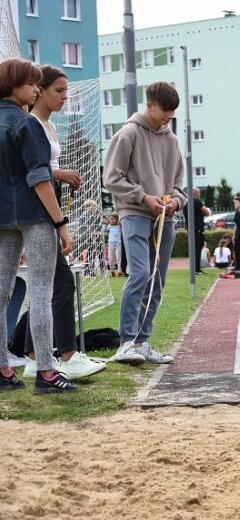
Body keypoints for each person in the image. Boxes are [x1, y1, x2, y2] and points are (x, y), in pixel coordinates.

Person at [0, 57, 78, 393]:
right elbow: (40, 178)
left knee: (0, 295)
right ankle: (46, 373)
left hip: (3, 218)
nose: (35, 89)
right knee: (43, 294)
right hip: (35, 217)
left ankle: (3, 371)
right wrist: (61, 222)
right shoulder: (27, 124)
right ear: (13, 84)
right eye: (31, 83)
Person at [25, 64, 106, 381]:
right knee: (58, 284)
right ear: (39, 90)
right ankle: (67, 355)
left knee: (48, 285)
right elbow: (32, 171)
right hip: (40, 209)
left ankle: (34, 357)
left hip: (52, 205)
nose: (64, 97)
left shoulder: (48, 125)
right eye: (59, 91)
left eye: (66, 91)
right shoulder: (30, 124)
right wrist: (61, 176)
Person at [103, 81, 187, 365]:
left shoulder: (172, 140)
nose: (169, 116)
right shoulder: (127, 134)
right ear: (150, 104)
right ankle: (126, 342)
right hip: (134, 213)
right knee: (139, 274)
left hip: (166, 218)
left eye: (173, 111)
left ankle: (142, 341)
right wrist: (143, 197)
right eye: (166, 110)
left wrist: (175, 201)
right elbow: (112, 178)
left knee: (157, 282)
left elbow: (178, 185)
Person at [184, 186, 210, 274]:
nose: (200, 195)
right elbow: (206, 212)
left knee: (193, 249)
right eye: (199, 193)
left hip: (190, 229)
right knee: (198, 249)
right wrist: (203, 212)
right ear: (195, 194)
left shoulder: (186, 203)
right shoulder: (196, 202)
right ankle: (197, 269)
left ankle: (194, 268)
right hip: (198, 229)